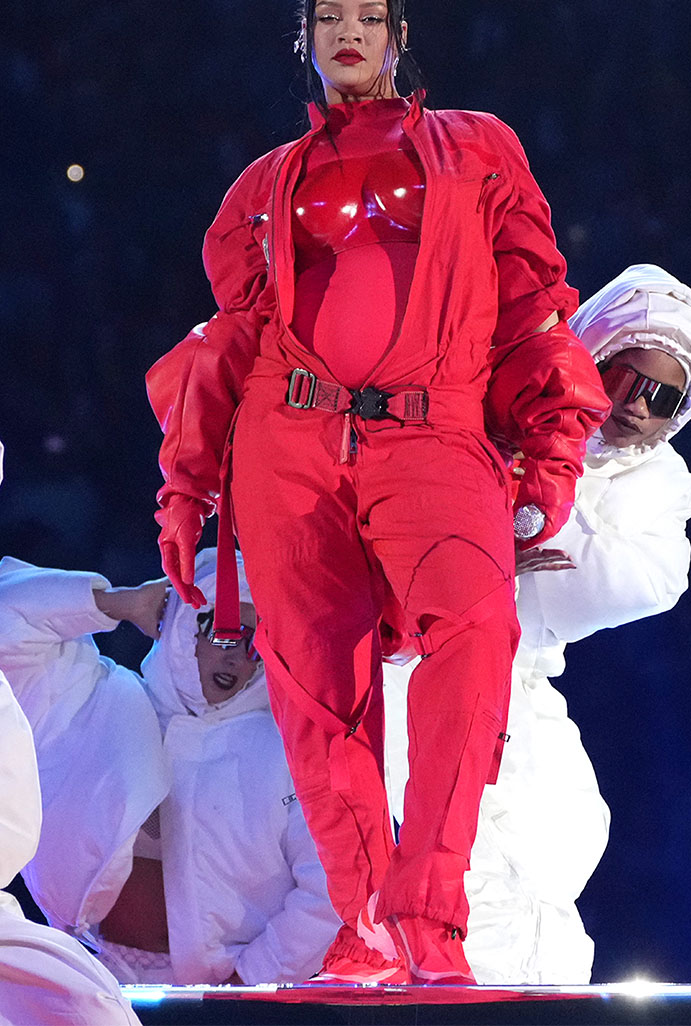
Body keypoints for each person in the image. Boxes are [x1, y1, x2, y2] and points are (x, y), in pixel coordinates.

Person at [146, 0, 609, 984]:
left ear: (399, 33)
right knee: (319, 694)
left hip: (431, 429)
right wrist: (185, 484)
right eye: (327, 17)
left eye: (367, 14)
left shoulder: (475, 148)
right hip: (288, 436)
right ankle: (362, 926)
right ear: (304, 39)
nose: (347, 31)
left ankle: (428, 911)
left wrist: (553, 446)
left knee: (476, 632)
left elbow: (531, 300)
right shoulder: (265, 183)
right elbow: (234, 337)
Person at [384, 263, 691, 983]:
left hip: (521, 679)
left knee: (562, 836)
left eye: (661, 397)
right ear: (587, 355)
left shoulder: (660, 482)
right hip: (410, 663)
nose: (633, 407)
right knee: (445, 847)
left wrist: (521, 531)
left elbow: (648, 582)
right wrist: (495, 542)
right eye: (621, 377)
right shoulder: (494, 407)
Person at [0, 547, 340, 986]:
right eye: (220, 632)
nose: (236, 657)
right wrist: (120, 602)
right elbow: (8, 623)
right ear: (181, 626)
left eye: (255, 642)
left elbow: (330, 887)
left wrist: (248, 982)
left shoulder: (289, 752)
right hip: (89, 976)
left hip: (217, 999)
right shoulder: (101, 702)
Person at [0, 441, 142, 1026]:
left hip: (100, 926)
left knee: (88, 1009)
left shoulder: (112, 681)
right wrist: (120, 602)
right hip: (80, 908)